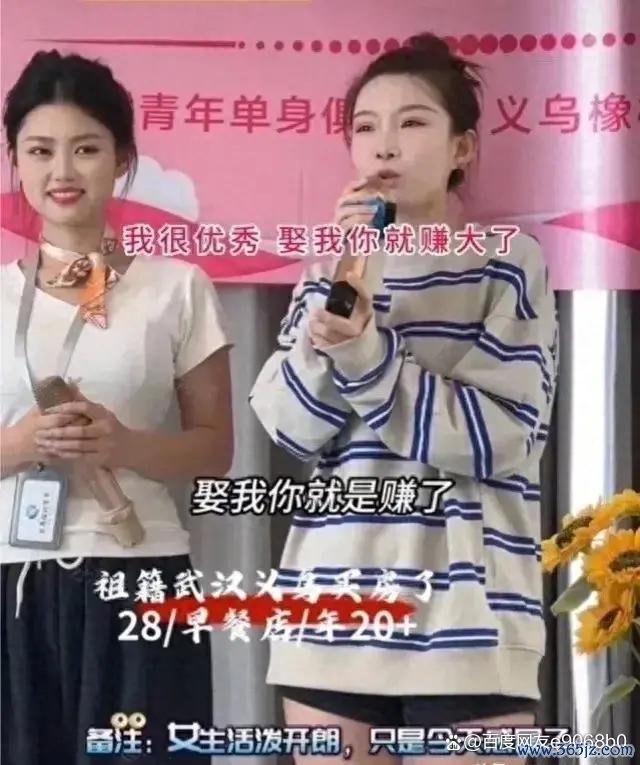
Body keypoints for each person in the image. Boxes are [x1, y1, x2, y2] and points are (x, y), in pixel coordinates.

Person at [250, 32, 559, 764]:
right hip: (331, 608)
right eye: (365, 127)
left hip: (469, 618)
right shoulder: (332, 266)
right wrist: (346, 294)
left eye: (412, 122)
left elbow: (500, 437)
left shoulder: (507, 263)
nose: (384, 144)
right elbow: (292, 426)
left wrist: (367, 356)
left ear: (462, 148)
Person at [0, 50, 233, 765]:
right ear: (15, 161)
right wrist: (22, 444)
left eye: (86, 148)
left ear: (123, 158)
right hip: (13, 579)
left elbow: (215, 449)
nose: (62, 170)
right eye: (40, 150)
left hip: (143, 576)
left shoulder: (177, 288)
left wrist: (125, 445)